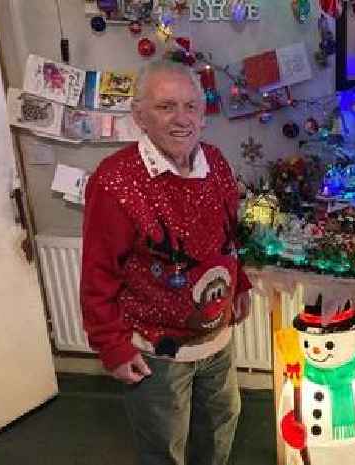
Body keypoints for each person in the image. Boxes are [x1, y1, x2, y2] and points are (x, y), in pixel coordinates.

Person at [80, 60, 252, 465]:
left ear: (203, 114)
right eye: (166, 106)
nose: (182, 119)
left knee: (220, 428)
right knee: (165, 448)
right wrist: (113, 347)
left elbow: (228, 238)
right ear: (139, 116)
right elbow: (97, 273)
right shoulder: (116, 180)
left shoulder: (216, 163)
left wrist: (239, 283)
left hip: (217, 339)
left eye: (191, 106)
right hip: (156, 352)